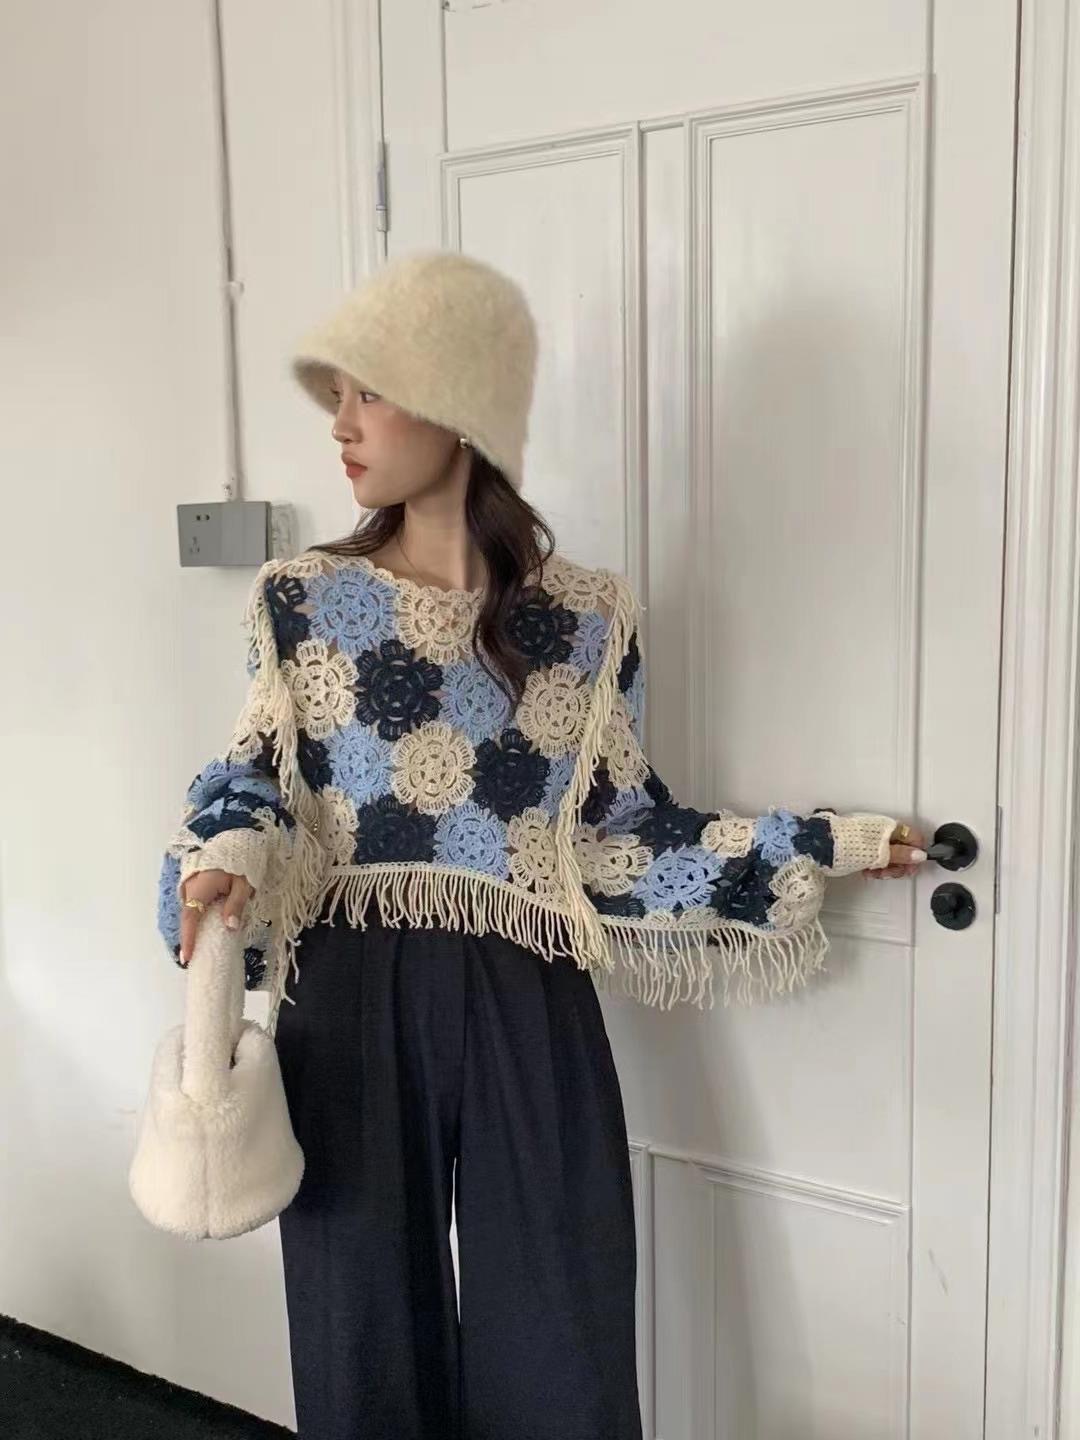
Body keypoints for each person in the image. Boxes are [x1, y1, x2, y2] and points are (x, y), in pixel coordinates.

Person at [155, 249, 927, 1440]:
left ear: (460, 403)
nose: (342, 426)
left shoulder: (586, 620)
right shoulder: (300, 601)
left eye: (371, 392)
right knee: (362, 1341)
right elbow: (256, 777)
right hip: (348, 990)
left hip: (529, 981)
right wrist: (222, 853)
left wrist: (823, 841)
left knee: (563, 1333)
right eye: (336, 398)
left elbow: (624, 827)